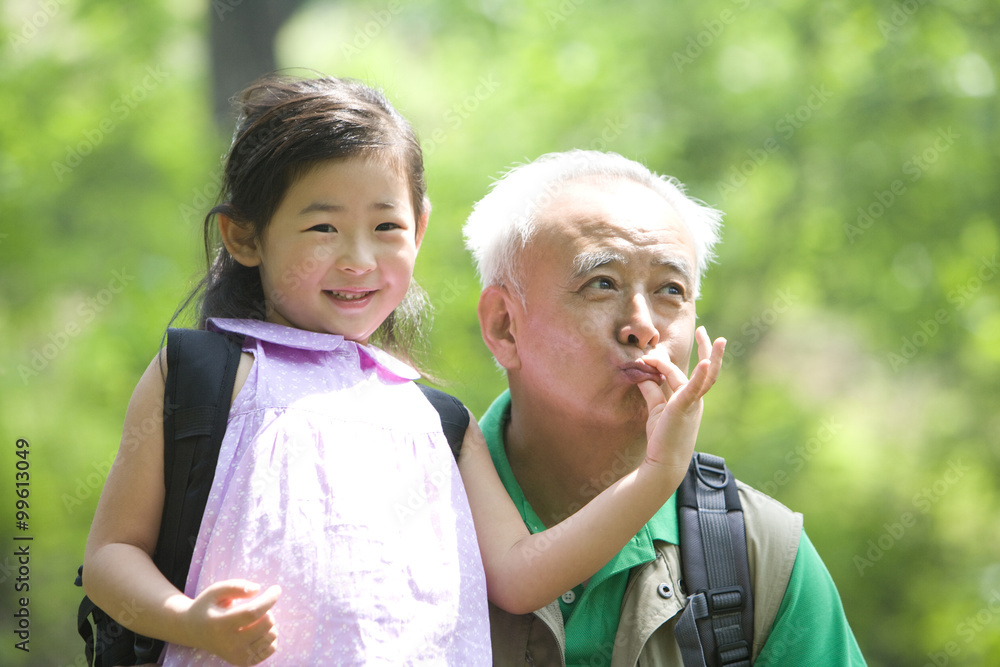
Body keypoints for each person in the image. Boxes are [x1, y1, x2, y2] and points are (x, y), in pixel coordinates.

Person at [82, 77, 726, 666]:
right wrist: (189, 620)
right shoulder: (201, 376)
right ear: (245, 237)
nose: (359, 259)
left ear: (419, 228)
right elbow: (112, 556)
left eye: (386, 226)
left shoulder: (437, 420)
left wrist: (658, 473)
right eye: (323, 226)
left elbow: (523, 575)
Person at [464, 149, 867, 666]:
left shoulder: (756, 552)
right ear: (504, 325)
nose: (641, 325)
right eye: (601, 284)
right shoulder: (415, 510)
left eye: (670, 290)